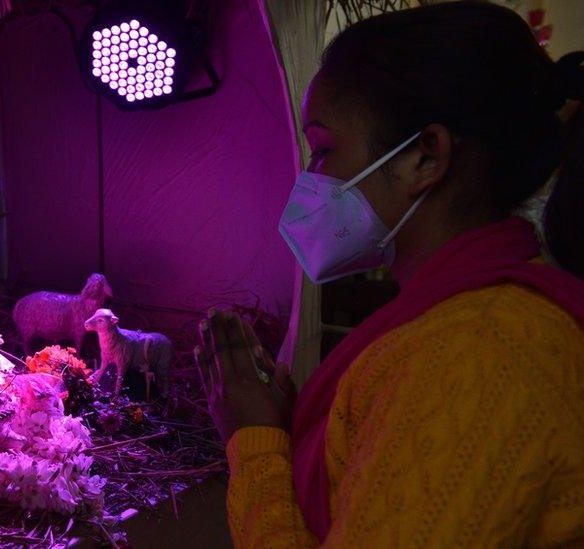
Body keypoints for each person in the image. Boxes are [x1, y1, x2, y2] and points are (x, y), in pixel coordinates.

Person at [199, 3, 584, 547]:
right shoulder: (462, 315)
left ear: (425, 158)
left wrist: (255, 441)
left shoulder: (477, 352)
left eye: (325, 149)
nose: (309, 179)